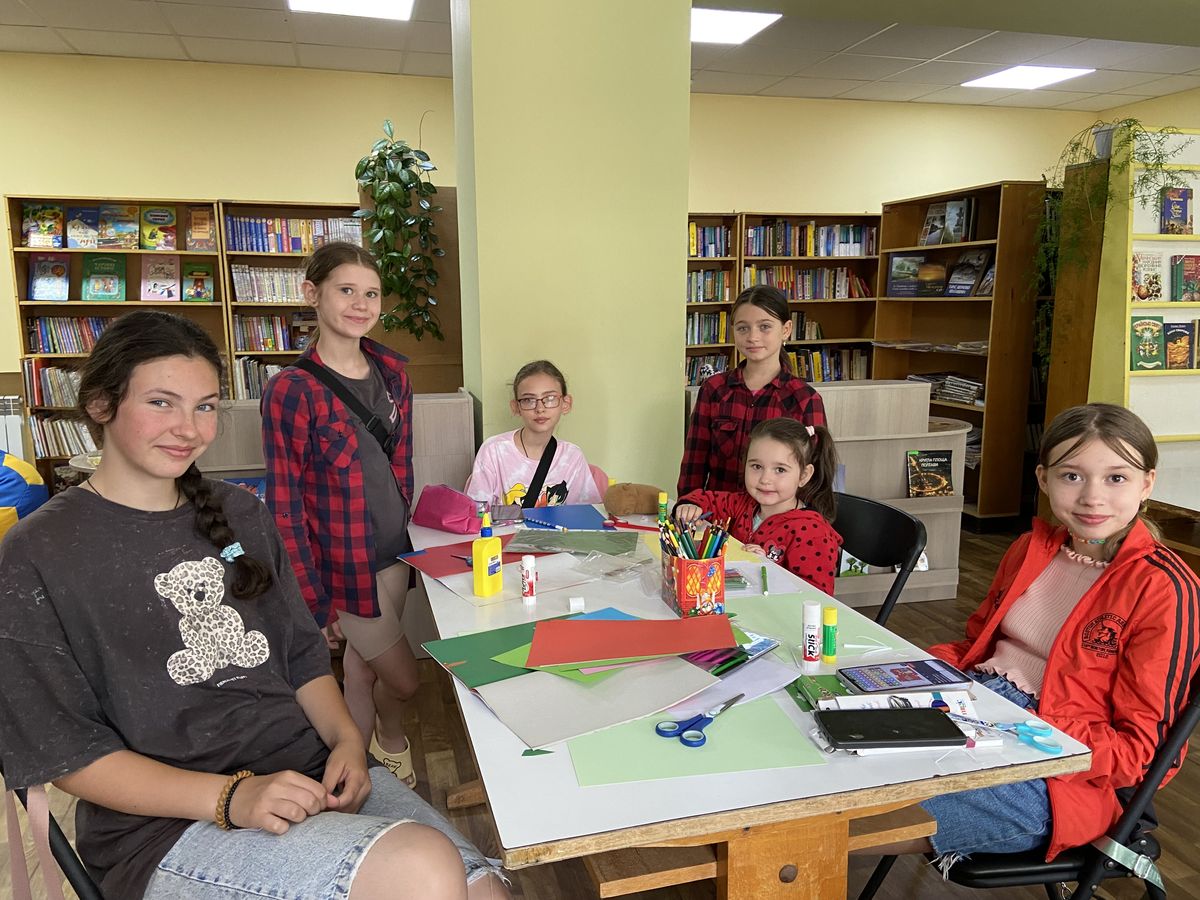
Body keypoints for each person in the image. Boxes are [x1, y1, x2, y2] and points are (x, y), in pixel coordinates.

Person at [0, 311, 509, 900]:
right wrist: (229, 797)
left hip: (304, 772)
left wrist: (348, 741)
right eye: (162, 403)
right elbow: (66, 752)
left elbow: (300, 655)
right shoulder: (37, 552)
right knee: (422, 870)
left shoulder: (241, 513)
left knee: (482, 888)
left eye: (206, 406)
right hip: (166, 829)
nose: (188, 428)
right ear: (100, 404)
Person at [862, 403, 1200, 870]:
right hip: (975, 707)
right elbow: (977, 646)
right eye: (1072, 476)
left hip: (1060, 774)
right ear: (1043, 478)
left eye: (1116, 478)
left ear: (1147, 484)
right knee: (835, 754)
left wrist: (1025, 725)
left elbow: (1141, 755)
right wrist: (913, 670)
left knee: (852, 817)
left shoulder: (1164, 587)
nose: (1093, 497)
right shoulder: (1030, 548)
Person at [261, 242, 419, 787]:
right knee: (404, 680)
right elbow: (285, 504)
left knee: (360, 670)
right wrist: (313, 598)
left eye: (371, 294)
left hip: (396, 552)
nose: (360, 304)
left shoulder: (393, 374)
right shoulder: (291, 389)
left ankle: (359, 775)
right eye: (346, 290)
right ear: (313, 293)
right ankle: (391, 743)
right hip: (345, 568)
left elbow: (400, 464)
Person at [678, 285, 826, 496]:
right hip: (718, 512)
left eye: (764, 327)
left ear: (786, 329)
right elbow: (694, 464)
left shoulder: (805, 399)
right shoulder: (714, 390)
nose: (752, 337)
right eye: (743, 328)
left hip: (777, 515)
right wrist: (688, 504)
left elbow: (815, 478)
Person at [674, 417, 841, 594]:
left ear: (804, 476)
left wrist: (768, 568)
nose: (765, 479)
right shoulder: (742, 503)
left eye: (780, 470)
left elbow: (816, 596)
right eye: (756, 466)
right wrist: (689, 506)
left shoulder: (813, 532)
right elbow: (708, 499)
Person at [465, 359, 602, 508]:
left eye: (550, 398)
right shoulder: (493, 451)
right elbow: (476, 513)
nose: (540, 408)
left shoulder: (572, 456)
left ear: (565, 403)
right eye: (529, 400)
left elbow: (586, 514)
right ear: (516, 407)